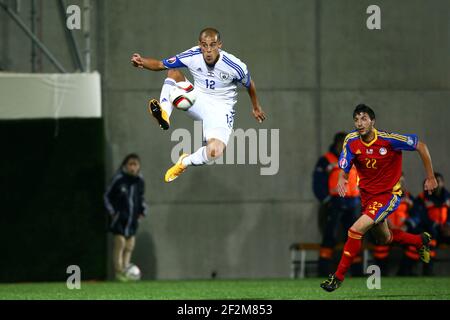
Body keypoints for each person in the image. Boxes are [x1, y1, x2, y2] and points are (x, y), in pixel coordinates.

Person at [320, 104, 438, 292]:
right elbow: (346, 160)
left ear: (372, 121)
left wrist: (430, 177)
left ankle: (338, 277)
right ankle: (420, 241)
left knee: (355, 229)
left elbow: (421, 146)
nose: (359, 123)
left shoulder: (388, 140)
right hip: (367, 196)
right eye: (356, 119)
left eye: (364, 118)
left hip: (388, 195)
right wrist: (342, 176)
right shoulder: (351, 140)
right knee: (384, 239)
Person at [130, 27, 266, 182]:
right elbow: (161, 64)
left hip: (220, 111)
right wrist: (142, 62)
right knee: (173, 72)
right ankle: (164, 114)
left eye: (212, 45)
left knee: (215, 151)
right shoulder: (193, 54)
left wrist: (256, 107)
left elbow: (250, 85)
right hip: (197, 99)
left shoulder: (235, 66)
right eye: (204, 45)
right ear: (199, 45)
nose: (208, 50)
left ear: (219, 45)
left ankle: (183, 162)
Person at [313, 132, 362, 277]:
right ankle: (323, 271)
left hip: (353, 203)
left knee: (355, 236)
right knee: (330, 235)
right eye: (341, 143)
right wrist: (326, 199)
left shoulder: (355, 159)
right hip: (335, 202)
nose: (343, 146)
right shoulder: (326, 160)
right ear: (336, 143)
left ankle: (357, 271)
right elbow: (318, 182)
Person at [104, 154, 148, 281]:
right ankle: (119, 272)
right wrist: (112, 212)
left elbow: (141, 198)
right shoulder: (119, 179)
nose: (133, 167)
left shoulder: (139, 181)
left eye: (135, 164)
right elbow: (107, 196)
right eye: (130, 164)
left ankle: (126, 269)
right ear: (125, 165)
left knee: (130, 244)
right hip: (119, 218)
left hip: (132, 219)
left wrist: (142, 210)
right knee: (120, 243)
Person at [413, 172, 450, 275]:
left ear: (443, 183)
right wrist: (434, 225)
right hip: (430, 230)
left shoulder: (448, 198)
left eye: (438, 181)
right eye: (433, 181)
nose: (436, 184)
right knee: (428, 239)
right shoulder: (422, 198)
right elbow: (421, 216)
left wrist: (448, 225)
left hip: (445, 231)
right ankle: (428, 271)